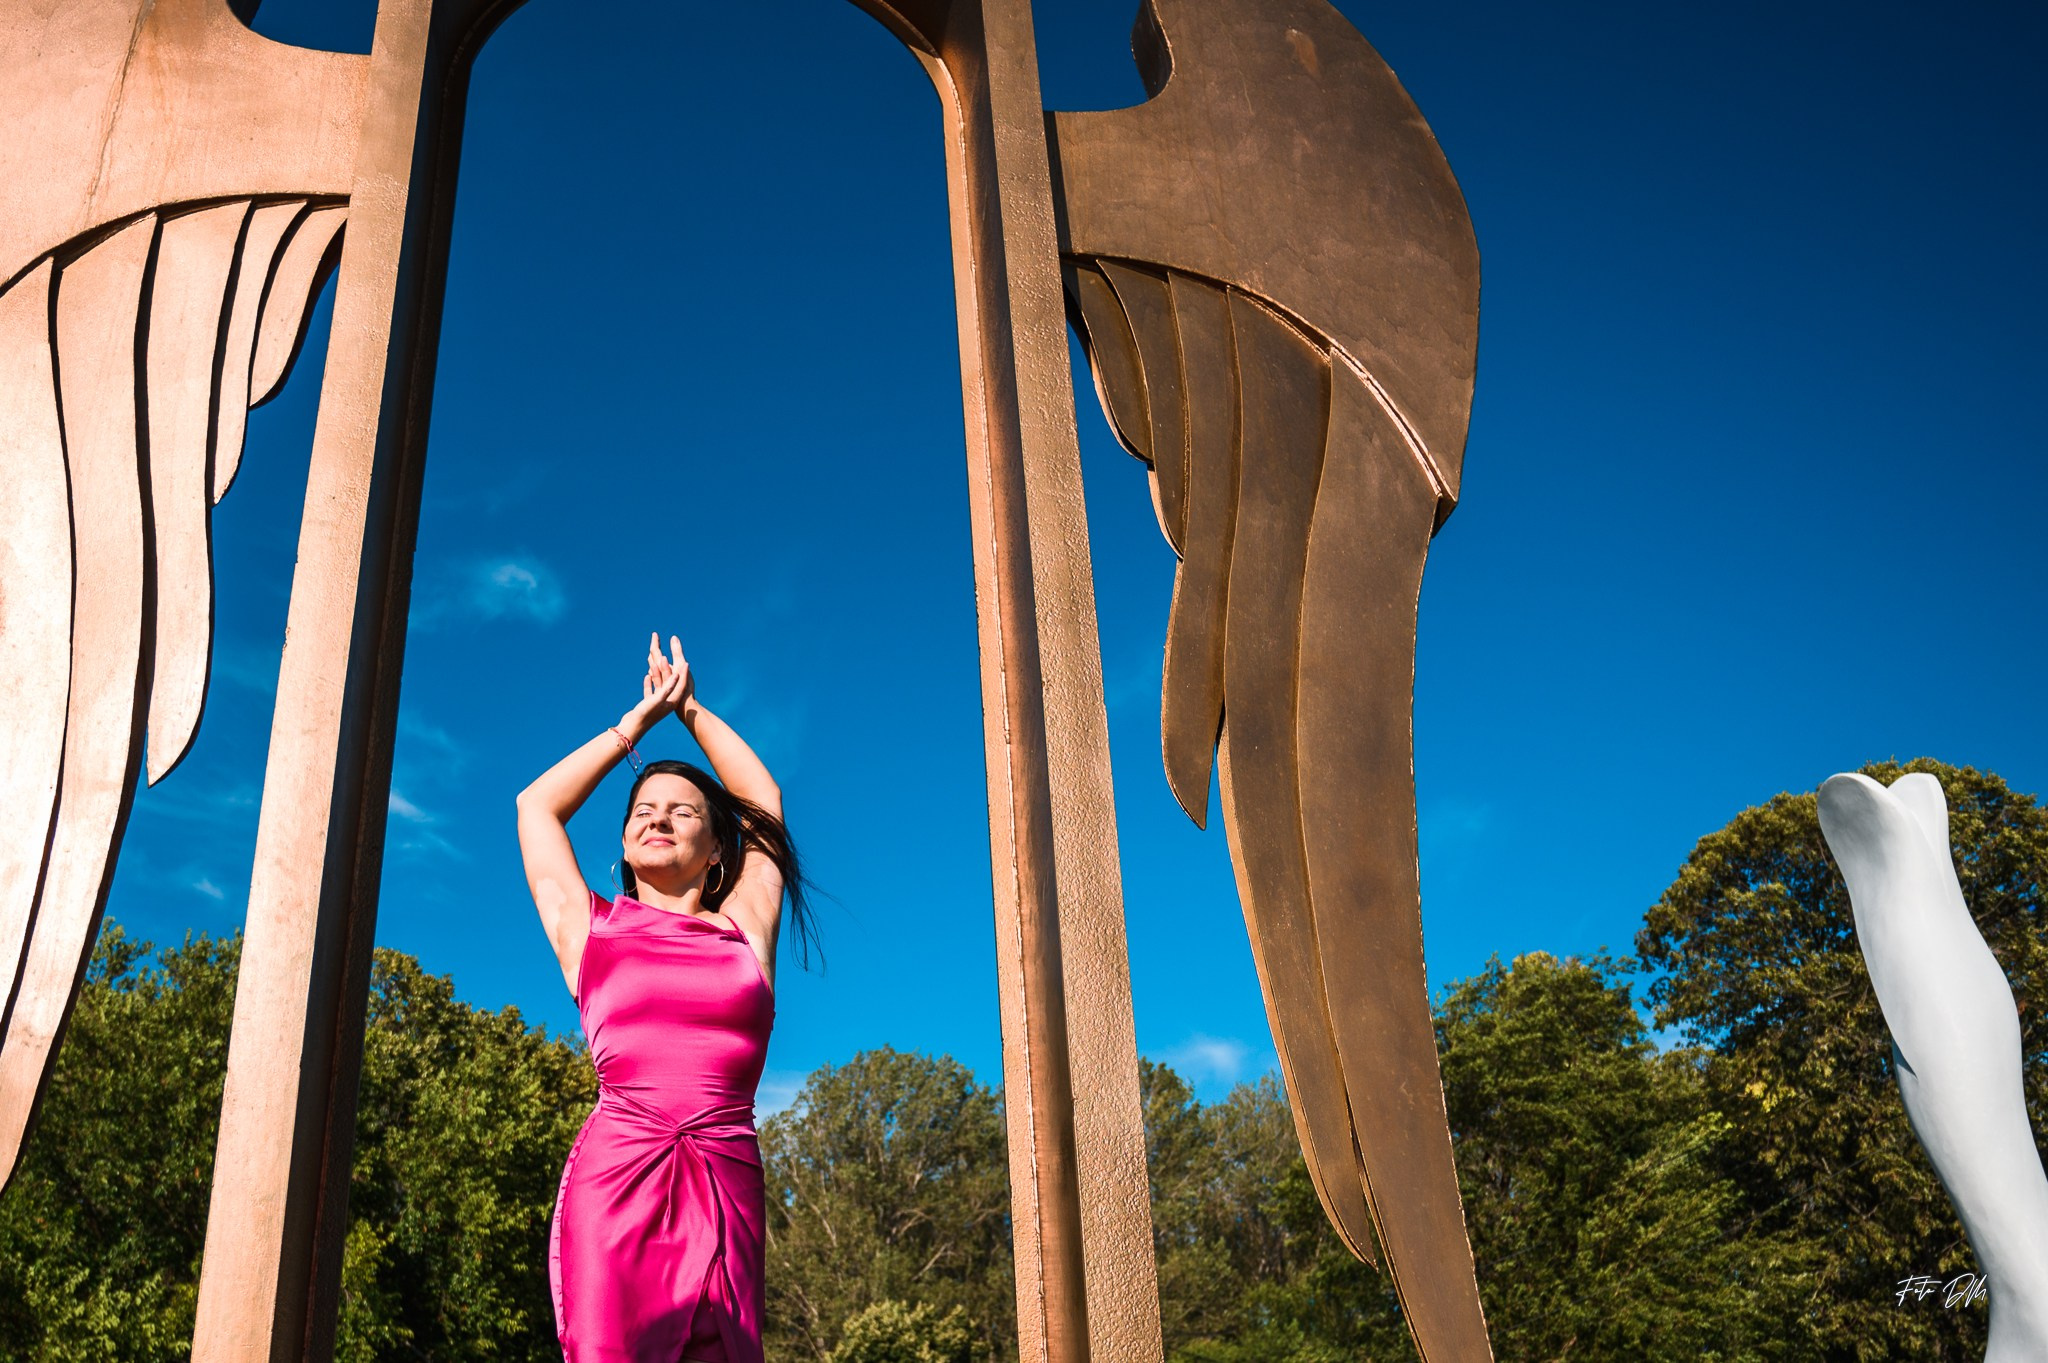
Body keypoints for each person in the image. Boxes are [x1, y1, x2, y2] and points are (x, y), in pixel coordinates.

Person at [517, 634, 813, 1363]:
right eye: (643, 809)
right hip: (617, 1182)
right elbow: (536, 806)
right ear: (622, 844)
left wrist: (690, 710)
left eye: (683, 811)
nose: (658, 818)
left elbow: (763, 800)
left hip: (725, 1175)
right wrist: (635, 726)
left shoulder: (747, 928)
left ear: (718, 850)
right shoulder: (590, 929)